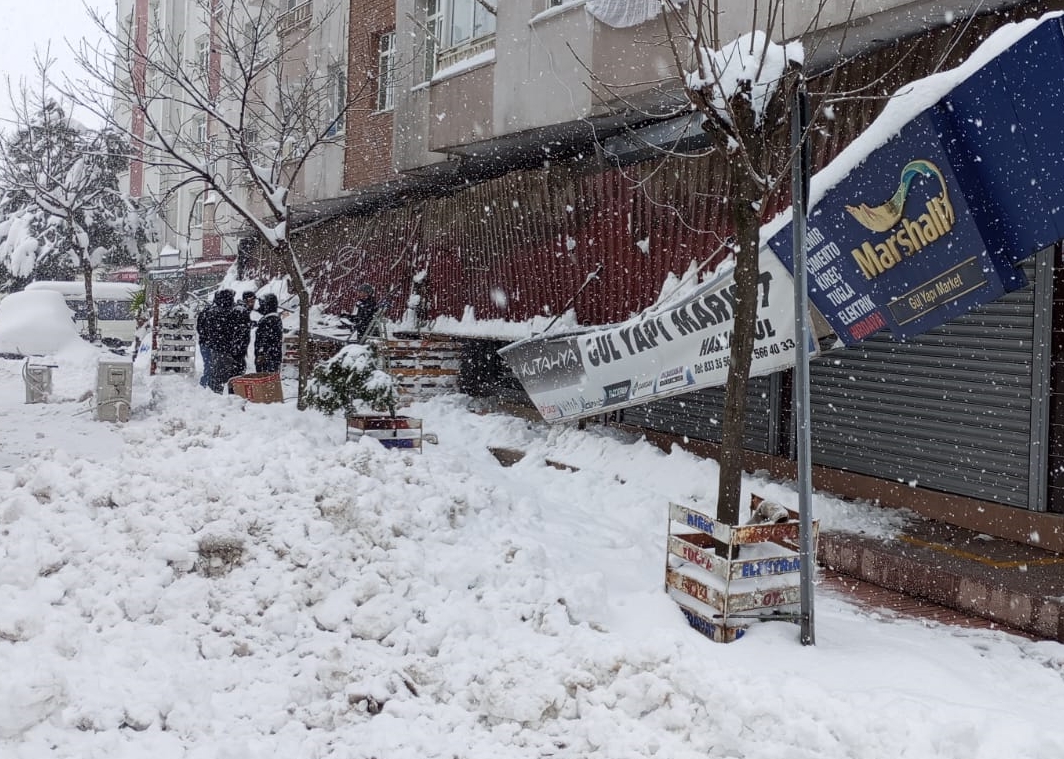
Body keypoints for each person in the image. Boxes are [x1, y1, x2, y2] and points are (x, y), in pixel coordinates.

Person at [200, 289, 246, 393]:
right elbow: (243, 332)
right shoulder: (238, 312)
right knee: (235, 378)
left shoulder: (212, 313)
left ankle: (216, 398)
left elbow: (205, 330)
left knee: (216, 377)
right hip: (234, 351)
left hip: (218, 350)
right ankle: (235, 397)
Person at [254, 294, 284, 373]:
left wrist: (261, 354)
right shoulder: (273, 319)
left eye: (262, 305)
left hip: (267, 359)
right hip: (272, 357)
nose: (260, 307)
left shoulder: (269, 320)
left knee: (265, 380)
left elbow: (265, 340)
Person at [234, 291, 257, 374]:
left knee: (239, 366)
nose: (253, 304)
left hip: (239, 346)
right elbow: (241, 326)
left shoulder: (242, 309)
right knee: (239, 367)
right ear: (247, 300)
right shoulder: (241, 310)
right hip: (238, 346)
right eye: (252, 301)